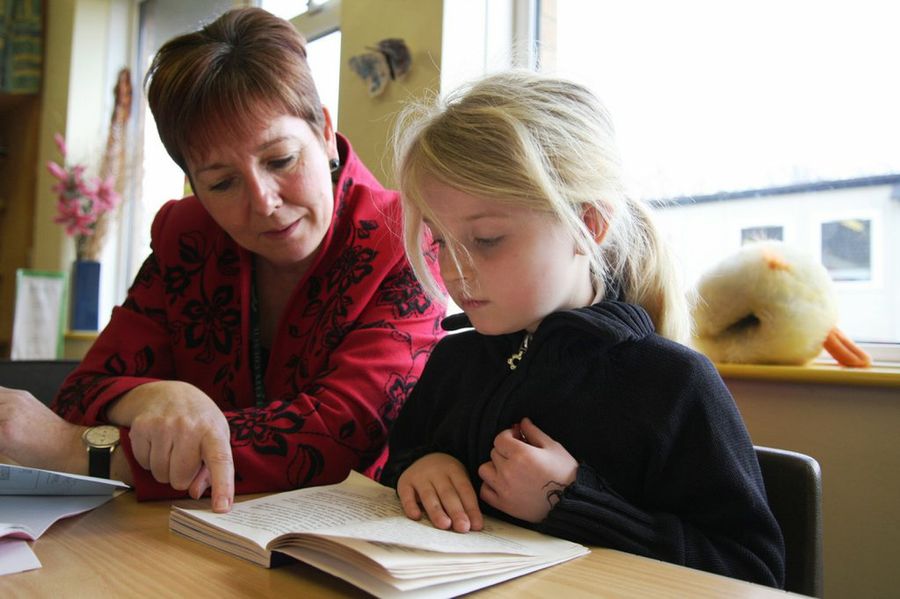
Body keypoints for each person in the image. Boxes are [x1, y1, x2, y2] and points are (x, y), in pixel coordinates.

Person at [0, 7, 443, 513]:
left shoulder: (404, 238)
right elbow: (85, 390)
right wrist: (150, 396)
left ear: (323, 130)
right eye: (221, 183)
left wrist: (80, 452)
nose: (263, 202)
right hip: (182, 536)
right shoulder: (186, 235)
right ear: (192, 181)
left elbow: (341, 434)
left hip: (345, 547)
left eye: (280, 160)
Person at [380, 71, 785, 588]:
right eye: (439, 240)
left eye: (485, 239)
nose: (454, 270)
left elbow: (755, 573)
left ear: (588, 226)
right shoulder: (452, 362)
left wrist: (570, 500)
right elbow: (400, 463)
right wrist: (421, 467)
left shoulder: (672, 385)